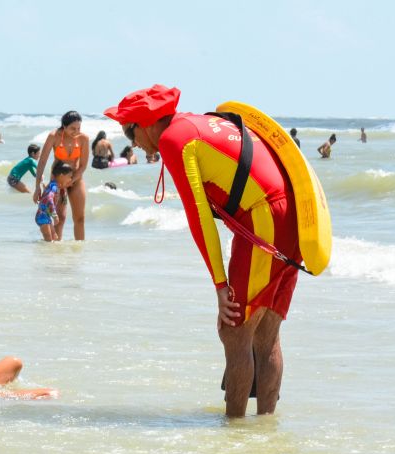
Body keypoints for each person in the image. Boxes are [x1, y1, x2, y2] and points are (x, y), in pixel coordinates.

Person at [104, 84, 307, 417]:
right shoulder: (196, 124)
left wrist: (220, 285)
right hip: (294, 218)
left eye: (130, 131)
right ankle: (265, 429)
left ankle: (234, 430)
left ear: (146, 122)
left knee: (235, 330)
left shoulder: (173, 140)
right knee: (266, 334)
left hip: (263, 219)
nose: (133, 142)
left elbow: (199, 218)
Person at [34, 111, 90, 241]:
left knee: (80, 218)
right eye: (72, 128)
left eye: (79, 128)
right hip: (57, 181)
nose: (76, 131)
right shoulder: (54, 136)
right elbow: (42, 162)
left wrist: (72, 180)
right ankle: (56, 253)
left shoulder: (84, 139)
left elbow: (83, 166)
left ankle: (79, 252)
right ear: (64, 126)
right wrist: (37, 187)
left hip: (75, 179)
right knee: (59, 217)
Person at [36, 162, 73, 241]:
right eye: (69, 177)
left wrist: (43, 184)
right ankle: (43, 253)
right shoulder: (54, 187)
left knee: (54, 237)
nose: (70, 179)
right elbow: (49, 198)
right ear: (62, 176)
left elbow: (47, 193)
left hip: (45, 216)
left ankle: (47, 252)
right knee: (49, 241)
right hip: (42, 217)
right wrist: (55, 215)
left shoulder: (53, 185)